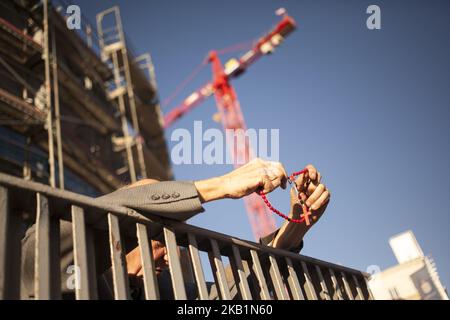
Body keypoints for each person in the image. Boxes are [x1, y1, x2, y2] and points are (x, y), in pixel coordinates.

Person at [20, 158, 330, 299]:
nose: (171, 253)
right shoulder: (63, 262)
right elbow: (45, 246)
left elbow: (236, 298)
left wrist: (294, 227)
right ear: (129, 228)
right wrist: (221, 186)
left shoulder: (165, 291)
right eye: (162, 235)